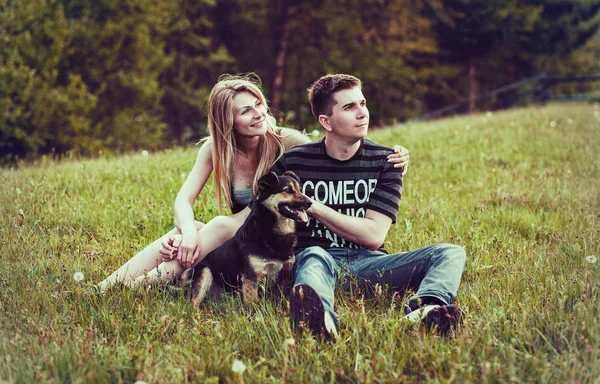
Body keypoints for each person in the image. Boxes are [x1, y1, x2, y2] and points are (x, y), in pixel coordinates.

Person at [97, 74, 410, 291]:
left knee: (217, 226)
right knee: (180, 233)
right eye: (246, 111)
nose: (260, 114)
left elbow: (339, 150)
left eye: (259, 104)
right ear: (227, 121)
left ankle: (137, 289)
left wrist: (393, 158)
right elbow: (183, 201)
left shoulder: (287, 142)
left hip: (273, 237)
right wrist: (190, 233)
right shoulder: (215, 149)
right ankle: (107, 288)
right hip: (244, 239)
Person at [271, 74, 467, 338]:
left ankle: (426, 309)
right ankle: (321, 322)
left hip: (370, 264)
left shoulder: (387, 161)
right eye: (349, 107)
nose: (362, 113)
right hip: (317, 260)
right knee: (313, 256)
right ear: (325, 121)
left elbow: (373, 237)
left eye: (362, 103)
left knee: (450, 253)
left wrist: (312, 206)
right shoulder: (293, 163)